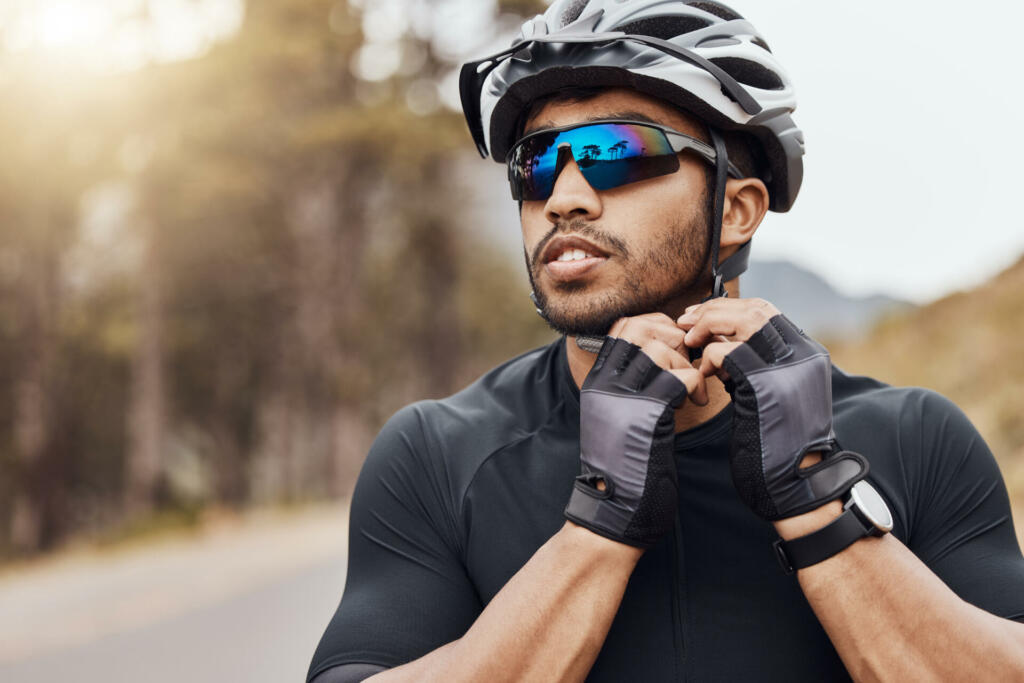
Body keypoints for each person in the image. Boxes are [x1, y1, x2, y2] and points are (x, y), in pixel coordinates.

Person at [308, 1, 1024, 680]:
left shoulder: (917, 437)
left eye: (613, 151)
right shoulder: (437, 450)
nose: (564, 195)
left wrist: (817, 501)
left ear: (737, 209)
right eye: (535, 163)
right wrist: (598, 521)